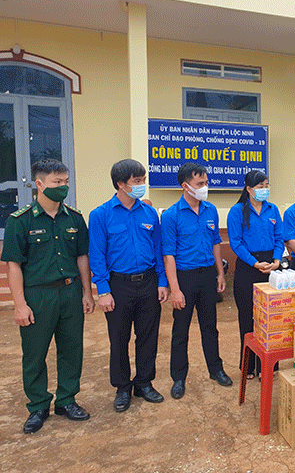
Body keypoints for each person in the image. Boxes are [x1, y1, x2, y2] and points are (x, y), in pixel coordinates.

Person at [1, 159, 94, 434]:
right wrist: (20, 305)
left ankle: (66, 400)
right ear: (39, 184)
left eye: (65, 181)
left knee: (71, 349)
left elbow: (82, 257)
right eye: (57, 182)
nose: (63, 187)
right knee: (34, 354)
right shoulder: (20, 221)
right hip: (38, 296)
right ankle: (39, 405)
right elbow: (13, 264)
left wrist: (87, 292)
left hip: (70, 292)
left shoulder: (75, 218)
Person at [88, 159, 169, 412]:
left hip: (148, 283)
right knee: (119, 339)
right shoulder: (101, 215)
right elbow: (97, 254)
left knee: (148, 337)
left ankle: (144, 383)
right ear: (121, 184)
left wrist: (162, 282)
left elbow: (158, 249)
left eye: (143, 180)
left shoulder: (149, 213)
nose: (141, 185)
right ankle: (122, 388)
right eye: (137, 181)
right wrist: (103, 290)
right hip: (118, 285)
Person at [162, 163, 232, 399]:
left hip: (207, 275)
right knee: (180, 330)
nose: (205, 187)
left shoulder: (211, 210)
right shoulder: (171, 215)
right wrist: (175, 289)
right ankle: (179, 378)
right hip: (184, 277)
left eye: (206, 182)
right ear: (185, 186)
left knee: (210, 326)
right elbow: (168, 254)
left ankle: (216, 369)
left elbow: (216, 242)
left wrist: (220, 273)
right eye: (200, 184)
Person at [227, 170, 284, 378]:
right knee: (248, 318)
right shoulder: (237, 211)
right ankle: (249, 366)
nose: (264, 190)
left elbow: (279, 238)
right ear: (249, 189)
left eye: (266, 186)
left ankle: (268, 367)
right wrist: (254, 263)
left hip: (271, 266)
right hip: (247, 266)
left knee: (270, 317)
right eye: (259, 187)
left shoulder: (273, 209)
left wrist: (276, 260)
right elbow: (236, 243)